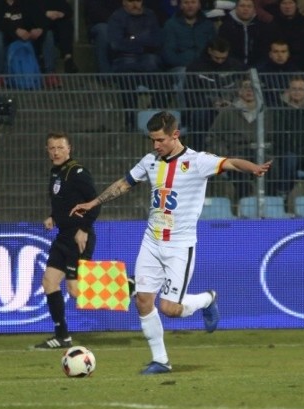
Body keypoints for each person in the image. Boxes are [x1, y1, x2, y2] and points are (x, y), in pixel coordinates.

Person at [70, 111, 271, 374]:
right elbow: (124, 184)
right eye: (152, 140)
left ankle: (207, 299)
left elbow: (230, 162)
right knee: (143, 301)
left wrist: (253, 168)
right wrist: (94, 202)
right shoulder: (150, 161)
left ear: (175, 135)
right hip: (151, 242)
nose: (156, 146)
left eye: (160, 140)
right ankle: (161, 361)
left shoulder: (197, 161)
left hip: (179, 246)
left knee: (170, 309)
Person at [33, 133, 101, 350]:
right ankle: (62, 336)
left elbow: (95, 202)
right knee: (49, 283)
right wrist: (53, 217)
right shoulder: (56, 173)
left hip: (77, 237)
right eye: (51, 148)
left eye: (60, 147)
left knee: (74, 290)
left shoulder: (77, 172)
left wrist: (83, 229)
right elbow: (64, 202)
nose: (55, 151)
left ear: (69, 149)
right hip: (63, 236)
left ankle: (128, 285)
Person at [205, 77, 271, 199]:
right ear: (239, 91)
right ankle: (244, 202)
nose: (249, 91)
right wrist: (225, 154)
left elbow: (275, 138)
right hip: (236, 153)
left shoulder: (267, 113)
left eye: (253, 88)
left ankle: (271, 202)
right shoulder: (227, 112)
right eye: (246, 87)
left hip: (261, 153)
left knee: (273, 167)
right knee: (238, 169)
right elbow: (213, 137)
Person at [217, 0, 278, 67]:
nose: (246, 9)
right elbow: (224, 50)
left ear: (254, 9)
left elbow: (265, 52)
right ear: (236, 8)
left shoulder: (262, 27)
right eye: (242, 6)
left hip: (258, 69)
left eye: (249, 6)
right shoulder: (226, 27)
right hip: (233, 68)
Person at [270, 0, 304, 69]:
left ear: (296, 5)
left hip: (303, 63)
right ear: (279, 6)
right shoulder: (272, 24)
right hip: (279, 63)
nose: (287, 6)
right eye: (284, 3)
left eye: (290, 3)